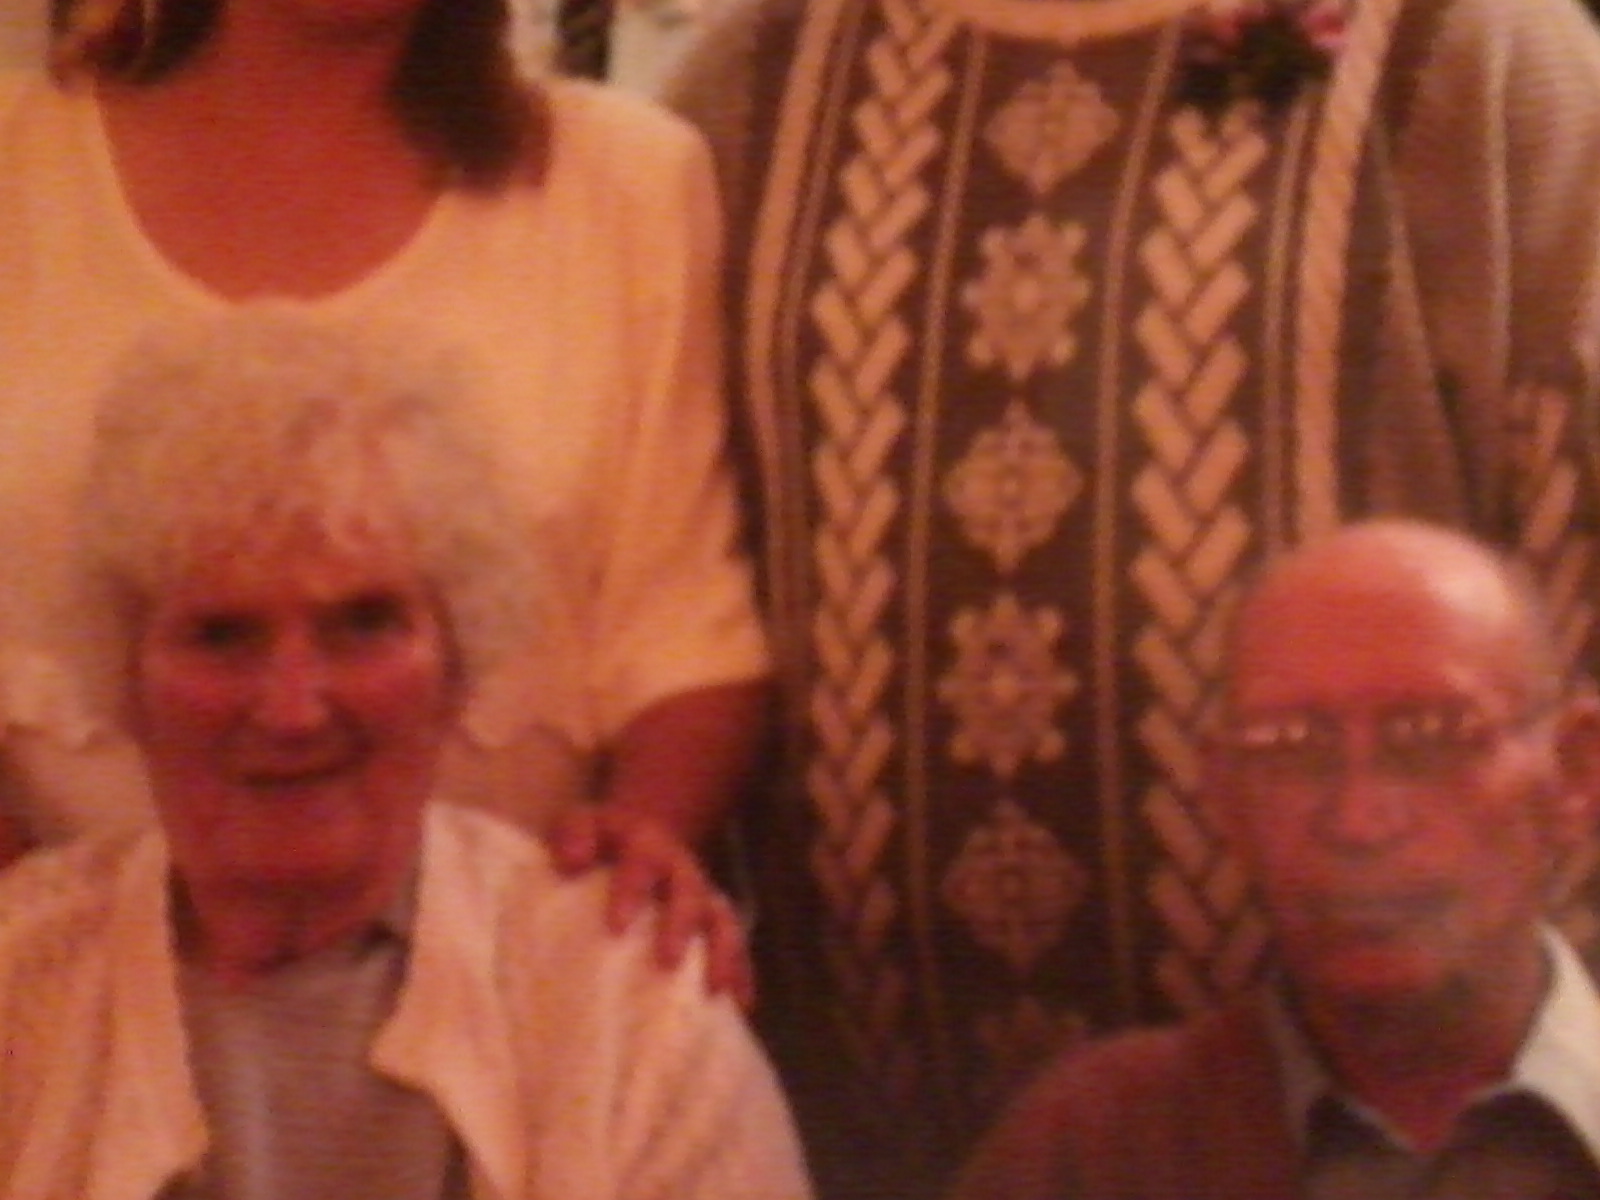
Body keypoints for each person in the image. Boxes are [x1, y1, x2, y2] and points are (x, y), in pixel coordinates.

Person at [663, 0, 1600, 1192]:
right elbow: (680, 587)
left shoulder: (1475, 54)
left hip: (1388, 1137)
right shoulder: (750, 78)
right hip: (848, 1130)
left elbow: (1579, 565)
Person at [0, 0, 766, 969]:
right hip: (48, 986)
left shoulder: (629, 182)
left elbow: (682, 626)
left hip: (508, 986)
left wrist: (624, 874)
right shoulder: (16, 164)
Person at [0, 310, 813, 1199]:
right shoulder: (22, 985)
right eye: (222, 635)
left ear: (459, 663)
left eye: (364, 624)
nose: (294, 708)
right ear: (125, 681)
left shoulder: (627, 1002)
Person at [950, 519, 1600, 1199]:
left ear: (1575, 770)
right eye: (1289, 746)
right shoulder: (1087, 1146)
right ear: (1225, 796)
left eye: (1431, 736)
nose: (1358, 818)